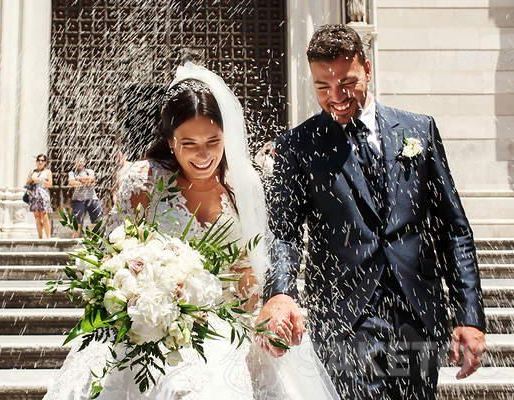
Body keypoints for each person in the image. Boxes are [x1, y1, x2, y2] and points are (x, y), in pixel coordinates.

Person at [43, 63, 339, 400]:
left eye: (213, 141)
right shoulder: (143, 181)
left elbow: (246, 275)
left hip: (224, 328)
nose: (203, 155)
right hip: (153, 330)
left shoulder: (241, 187)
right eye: (189, 143)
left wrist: (261, 320)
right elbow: (116, 257)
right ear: (170, 141)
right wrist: (144, 296)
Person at [257, 24, 486, 400]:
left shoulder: (419, 130)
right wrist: (280, 292)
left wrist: (469, 314)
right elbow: (283, 232)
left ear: (367, 68)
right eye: (322, 88)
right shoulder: (298, 145)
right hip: (346, 321)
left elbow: (453, 229)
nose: (336, 98)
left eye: (346, 84)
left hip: (417, 314)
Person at [68, 157, 104, 237]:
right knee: (77, 222)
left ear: (84, 163)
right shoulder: (72, 173)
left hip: (92, 198)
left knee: (97, 219)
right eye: (78, 162)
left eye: (81, 162)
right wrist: (86, 182)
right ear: (75, 164)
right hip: (78, 200)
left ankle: (94, 239)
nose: (80, 163)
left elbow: (92, 179)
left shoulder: (89, 171)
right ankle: (75, 241)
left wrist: (79, 179)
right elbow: (71, 183)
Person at [26, 154, 53, 239]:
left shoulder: (48, 172)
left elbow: (50, 185)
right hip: (34, 196)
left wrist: (40, 180)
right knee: (37, 217)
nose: (40, 162)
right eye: (39, 160)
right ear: (36, 161)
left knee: (44, 216)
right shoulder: (32, 171)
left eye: (42, 160)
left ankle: (48, 237)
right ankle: (40, 237)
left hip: (44, 196)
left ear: (45, 162)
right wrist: (32, 180)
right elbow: (27, 183)